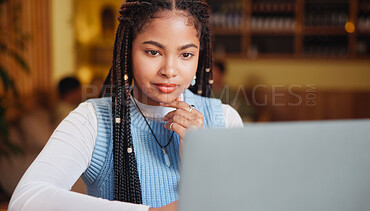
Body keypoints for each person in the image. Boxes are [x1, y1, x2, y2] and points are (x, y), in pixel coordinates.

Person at [9, 0, 243, 211]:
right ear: (128, 50)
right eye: (153, 52)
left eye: (186, 55)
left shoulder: (224, 118)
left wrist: (202, 158)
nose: (169, 71)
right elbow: (26, 200)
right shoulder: (92, 120)